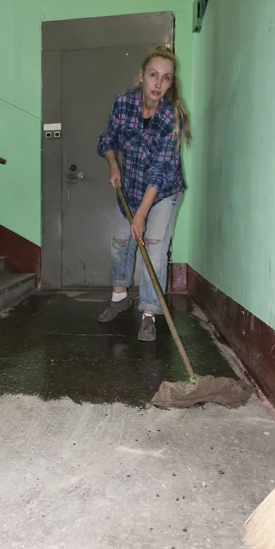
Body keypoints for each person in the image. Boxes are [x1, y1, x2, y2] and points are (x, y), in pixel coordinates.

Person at [97, 46, 191, 342]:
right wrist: (114, 165)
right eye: (153, 75)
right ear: (142, 76)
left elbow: (161, 171)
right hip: (130, 187)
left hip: (163, 192)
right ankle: (119, 297)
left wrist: (141, 215)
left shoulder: (170, 117)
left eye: (165, 78)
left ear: (171, 83)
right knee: (121, 240)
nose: (158, 84)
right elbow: (108, 141)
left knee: (153, 245)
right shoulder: (123, 103)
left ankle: (149, 313)